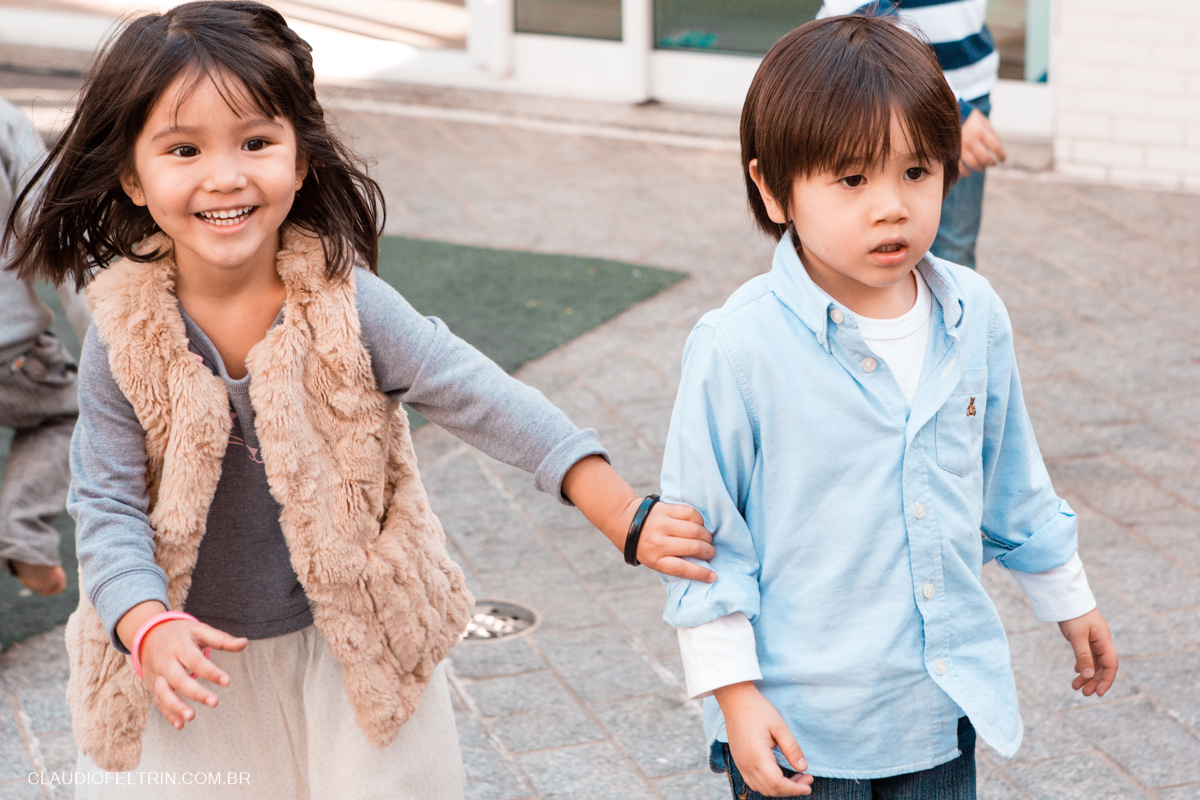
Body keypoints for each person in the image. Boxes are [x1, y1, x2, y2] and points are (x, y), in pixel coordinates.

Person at [3, 3, 716, 796]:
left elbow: (478, 393)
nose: (226, 173)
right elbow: (104, 502)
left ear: (300, 159)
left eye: (256, 141)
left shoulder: (349, 306)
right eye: (183, 148)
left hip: (350, 651)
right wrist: (143, 622)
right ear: (134, 177)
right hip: (189, 659)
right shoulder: (122, 335)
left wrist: (621, 510)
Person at [659, 15, 1117, 800]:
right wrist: (734, 698)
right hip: (798, 726)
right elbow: (705, 544)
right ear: (772, 188)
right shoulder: (737, 349)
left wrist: (1067, 595)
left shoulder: (974, 313)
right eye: (851, 179)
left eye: (917, 172)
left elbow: (1009, 473)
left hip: (938, 707)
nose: (892, 207)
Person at [818, 0, 1008, 269]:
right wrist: (952, 108)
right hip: (880, 86)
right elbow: (861, 10)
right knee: (855, 244)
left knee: (954, 247)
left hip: (966, 85)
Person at [0, 97, 90, 597]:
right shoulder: (5, 122)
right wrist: (111, 344)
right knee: (70, 414)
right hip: (11, 354)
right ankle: (22, 533)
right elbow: (58, 242)